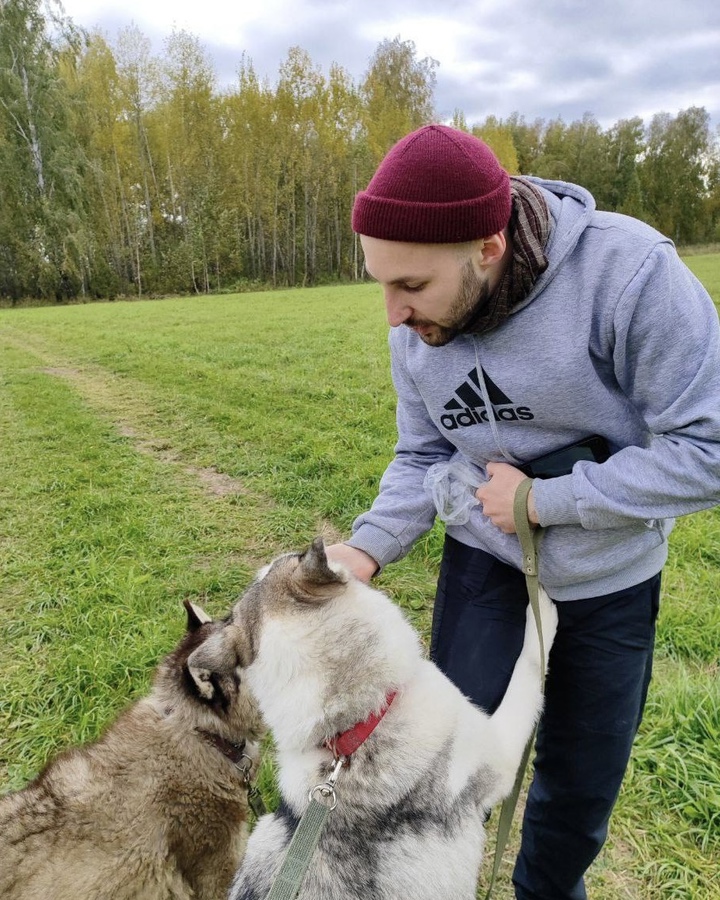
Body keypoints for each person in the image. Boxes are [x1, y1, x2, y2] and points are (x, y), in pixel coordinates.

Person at [326, 124, 720, 900]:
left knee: (575, 794)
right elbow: (421, 456)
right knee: (441, 767)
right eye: (379, 282)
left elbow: (710, 445)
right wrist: (365, 551)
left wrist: (545, 501)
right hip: (484, 559)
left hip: (608, 579)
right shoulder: (414, 329)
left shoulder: (629, 273)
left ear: (488, 246)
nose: (392, 316)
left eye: (410, 286)